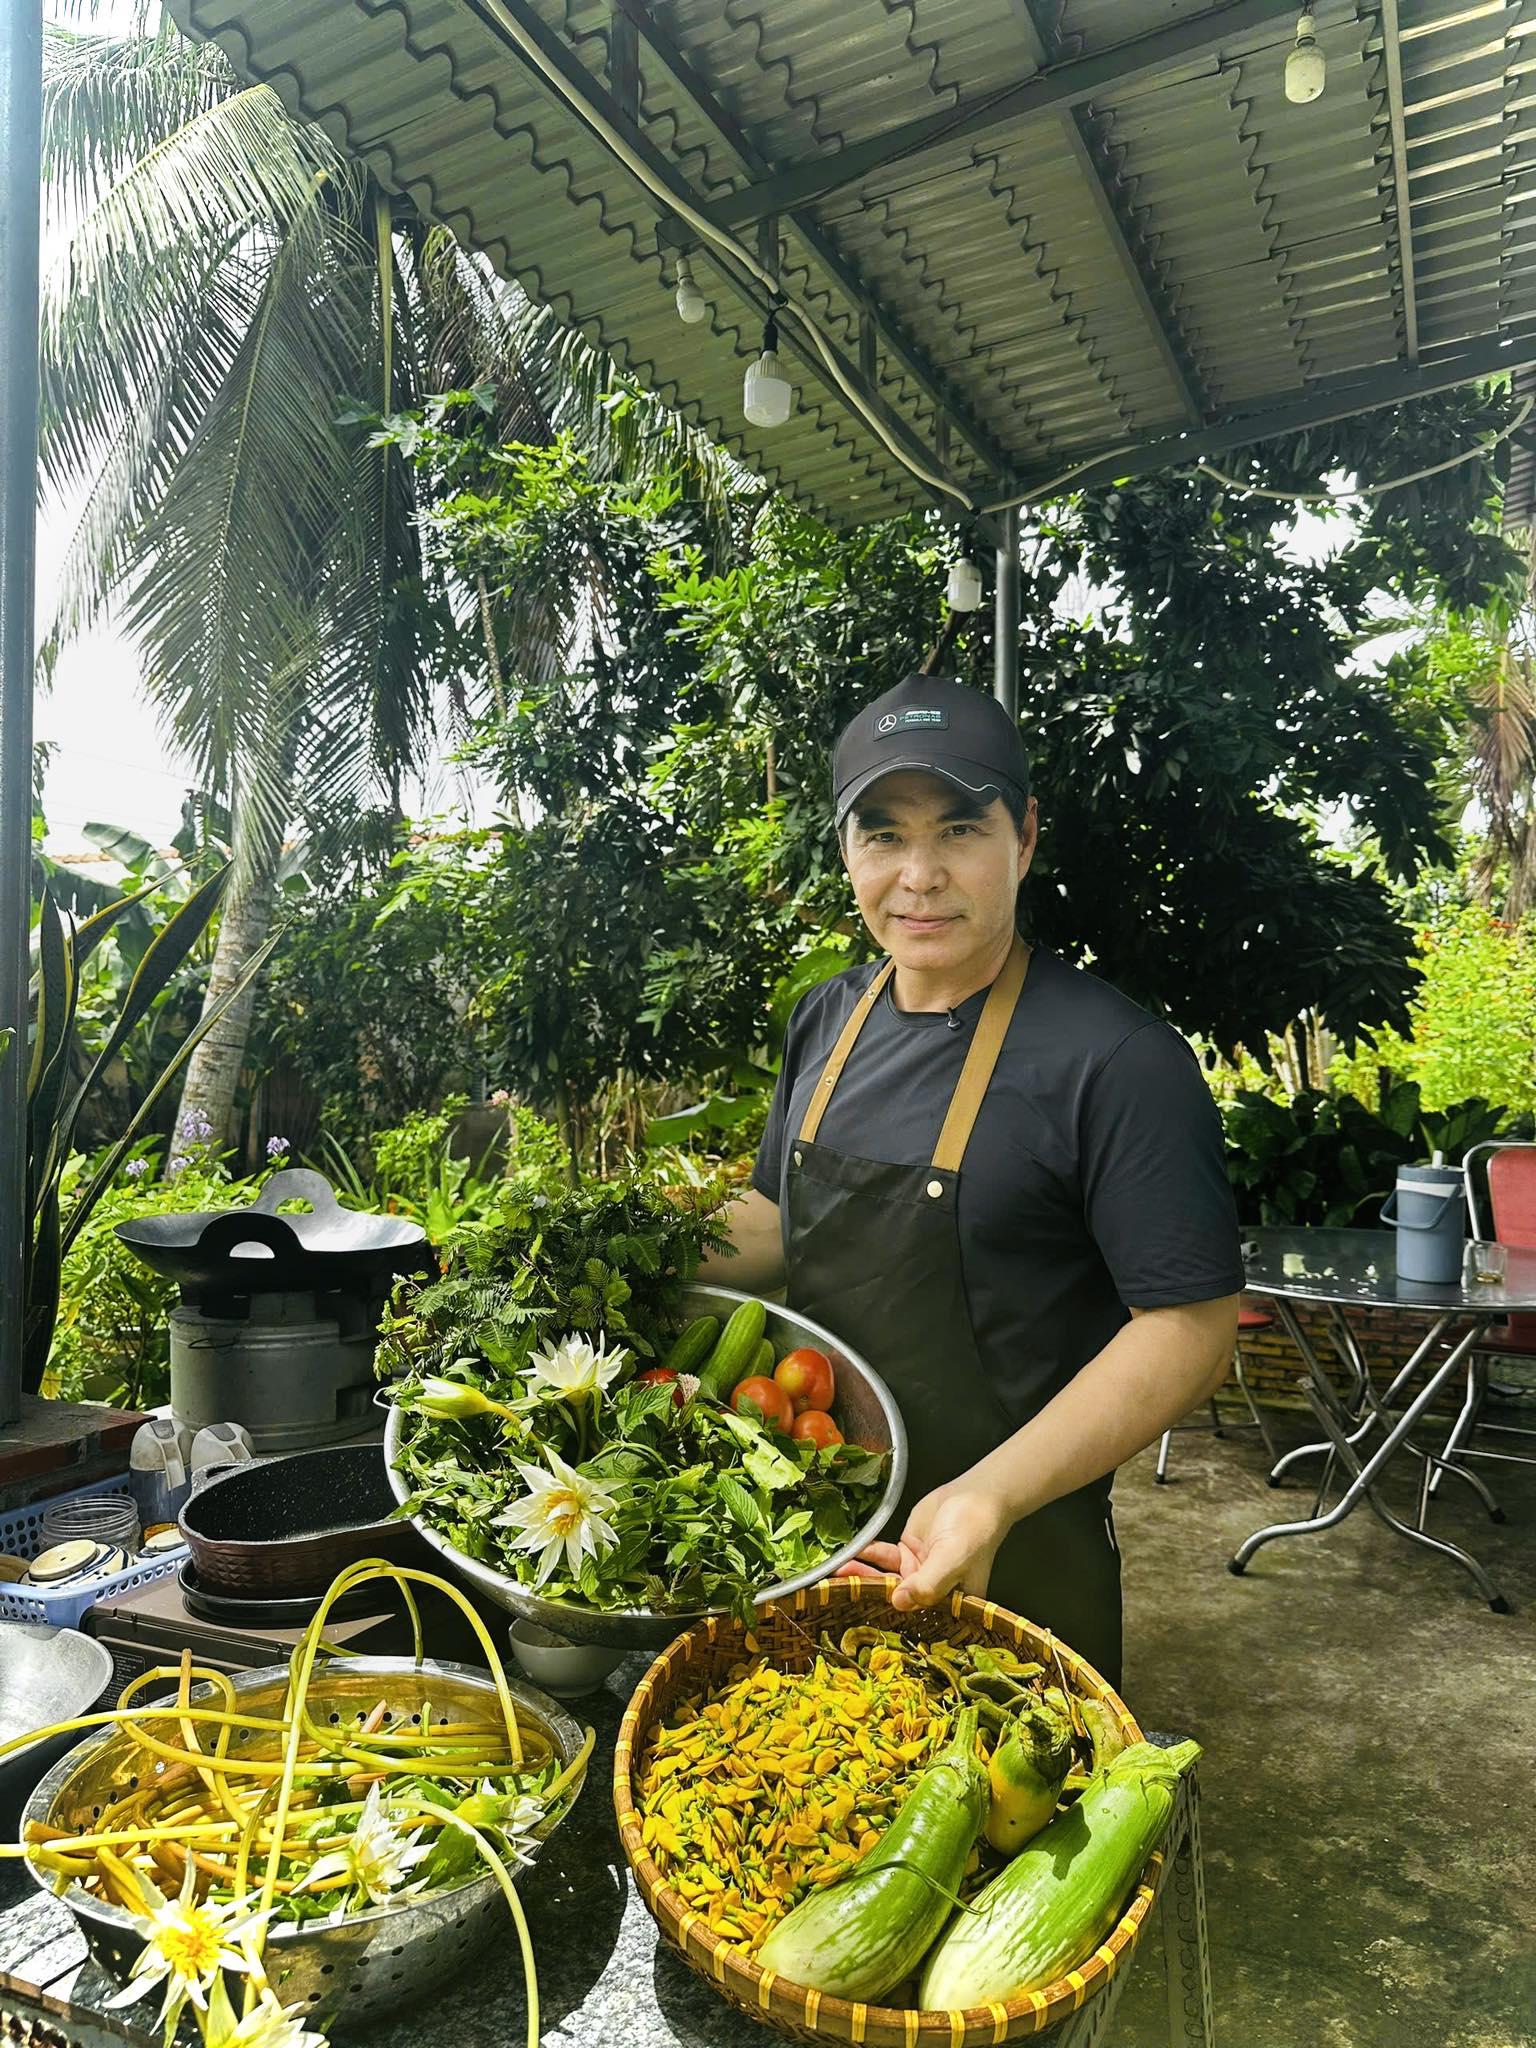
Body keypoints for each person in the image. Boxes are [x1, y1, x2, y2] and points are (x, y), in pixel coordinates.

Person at [699, 673, 1243, 1686]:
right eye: (883, 836)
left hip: (1019, 1550)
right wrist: (626, 1250)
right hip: (816, 1536)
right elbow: (779, 1218)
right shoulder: (828, 1018)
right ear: (846, 850)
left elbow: (1191, 1328)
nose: (919, 875)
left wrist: (987, 1494)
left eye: (957, 829)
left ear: (1025, 836)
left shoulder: (1116, 1060)